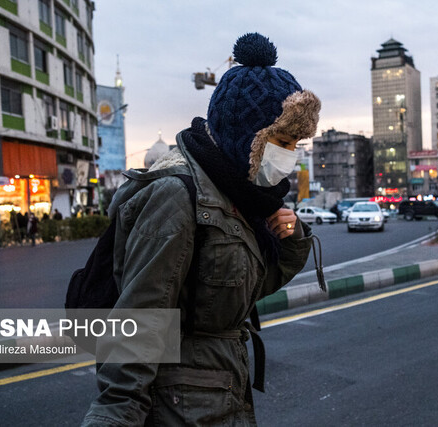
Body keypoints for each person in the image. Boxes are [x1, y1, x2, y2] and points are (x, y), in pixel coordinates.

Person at [82, 33, 321, 426]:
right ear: (246, 135)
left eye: (295, 143)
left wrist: (292, 242)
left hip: (220, 397)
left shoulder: (237, 196)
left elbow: (240, 293)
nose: (289, 155)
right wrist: (115, 414)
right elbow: (137, 323)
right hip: (179, 407)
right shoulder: (178, 196)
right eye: (282, 140)